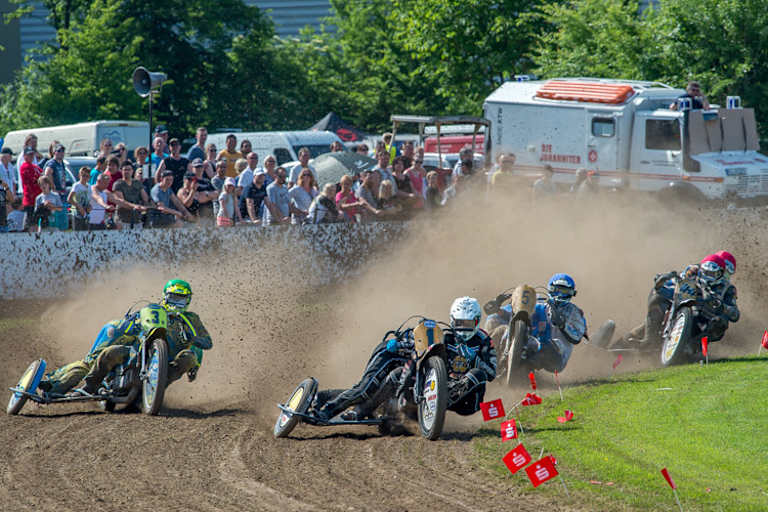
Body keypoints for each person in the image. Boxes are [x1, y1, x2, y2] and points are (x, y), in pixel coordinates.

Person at [485, 274, 587, 374]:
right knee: (500, 328)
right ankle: (487, 359)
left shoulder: (574, 312)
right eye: (557, 290)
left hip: (557, 356)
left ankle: (524, 371)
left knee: (549, 348)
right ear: (550, 289)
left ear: (572, 293)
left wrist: (562, 325)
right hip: (531, 342)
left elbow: (577, 337)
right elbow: (506, 316)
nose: (560, 295)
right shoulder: (538, 304)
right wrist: (498, 310)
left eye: (564, 291)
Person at [112, 162, 149, 228]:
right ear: (121, 171)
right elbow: (121, 202)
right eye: (125, 170)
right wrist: (135, 207)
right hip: (123, 220)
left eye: (129, 170)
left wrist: (145, 206)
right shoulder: (118, 184)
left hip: (137, 219)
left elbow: (145, 198)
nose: (127, 172)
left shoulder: (137, 183)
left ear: (132, 171)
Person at [19, 147, 44, 231]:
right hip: (30, 199)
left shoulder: (34, 166)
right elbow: (34, 179)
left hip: (37, 198)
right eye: (29, 155)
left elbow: (43, 175)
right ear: (24, 156)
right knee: (30, 222)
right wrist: (41, 178)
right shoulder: (25, 166)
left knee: (36, 222)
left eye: (32, 155)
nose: (31, 157)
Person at [67, 167, 92, 231]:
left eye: (87, 176)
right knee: (77, 233)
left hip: (86, 214)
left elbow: (88, 200)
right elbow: (69, 199)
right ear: (79, 175)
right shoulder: (76, 186)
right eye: (83, 176)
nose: (85, 178)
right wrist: (78, 206)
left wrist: (89, 206)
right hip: (77, 214)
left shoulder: (89, 186)